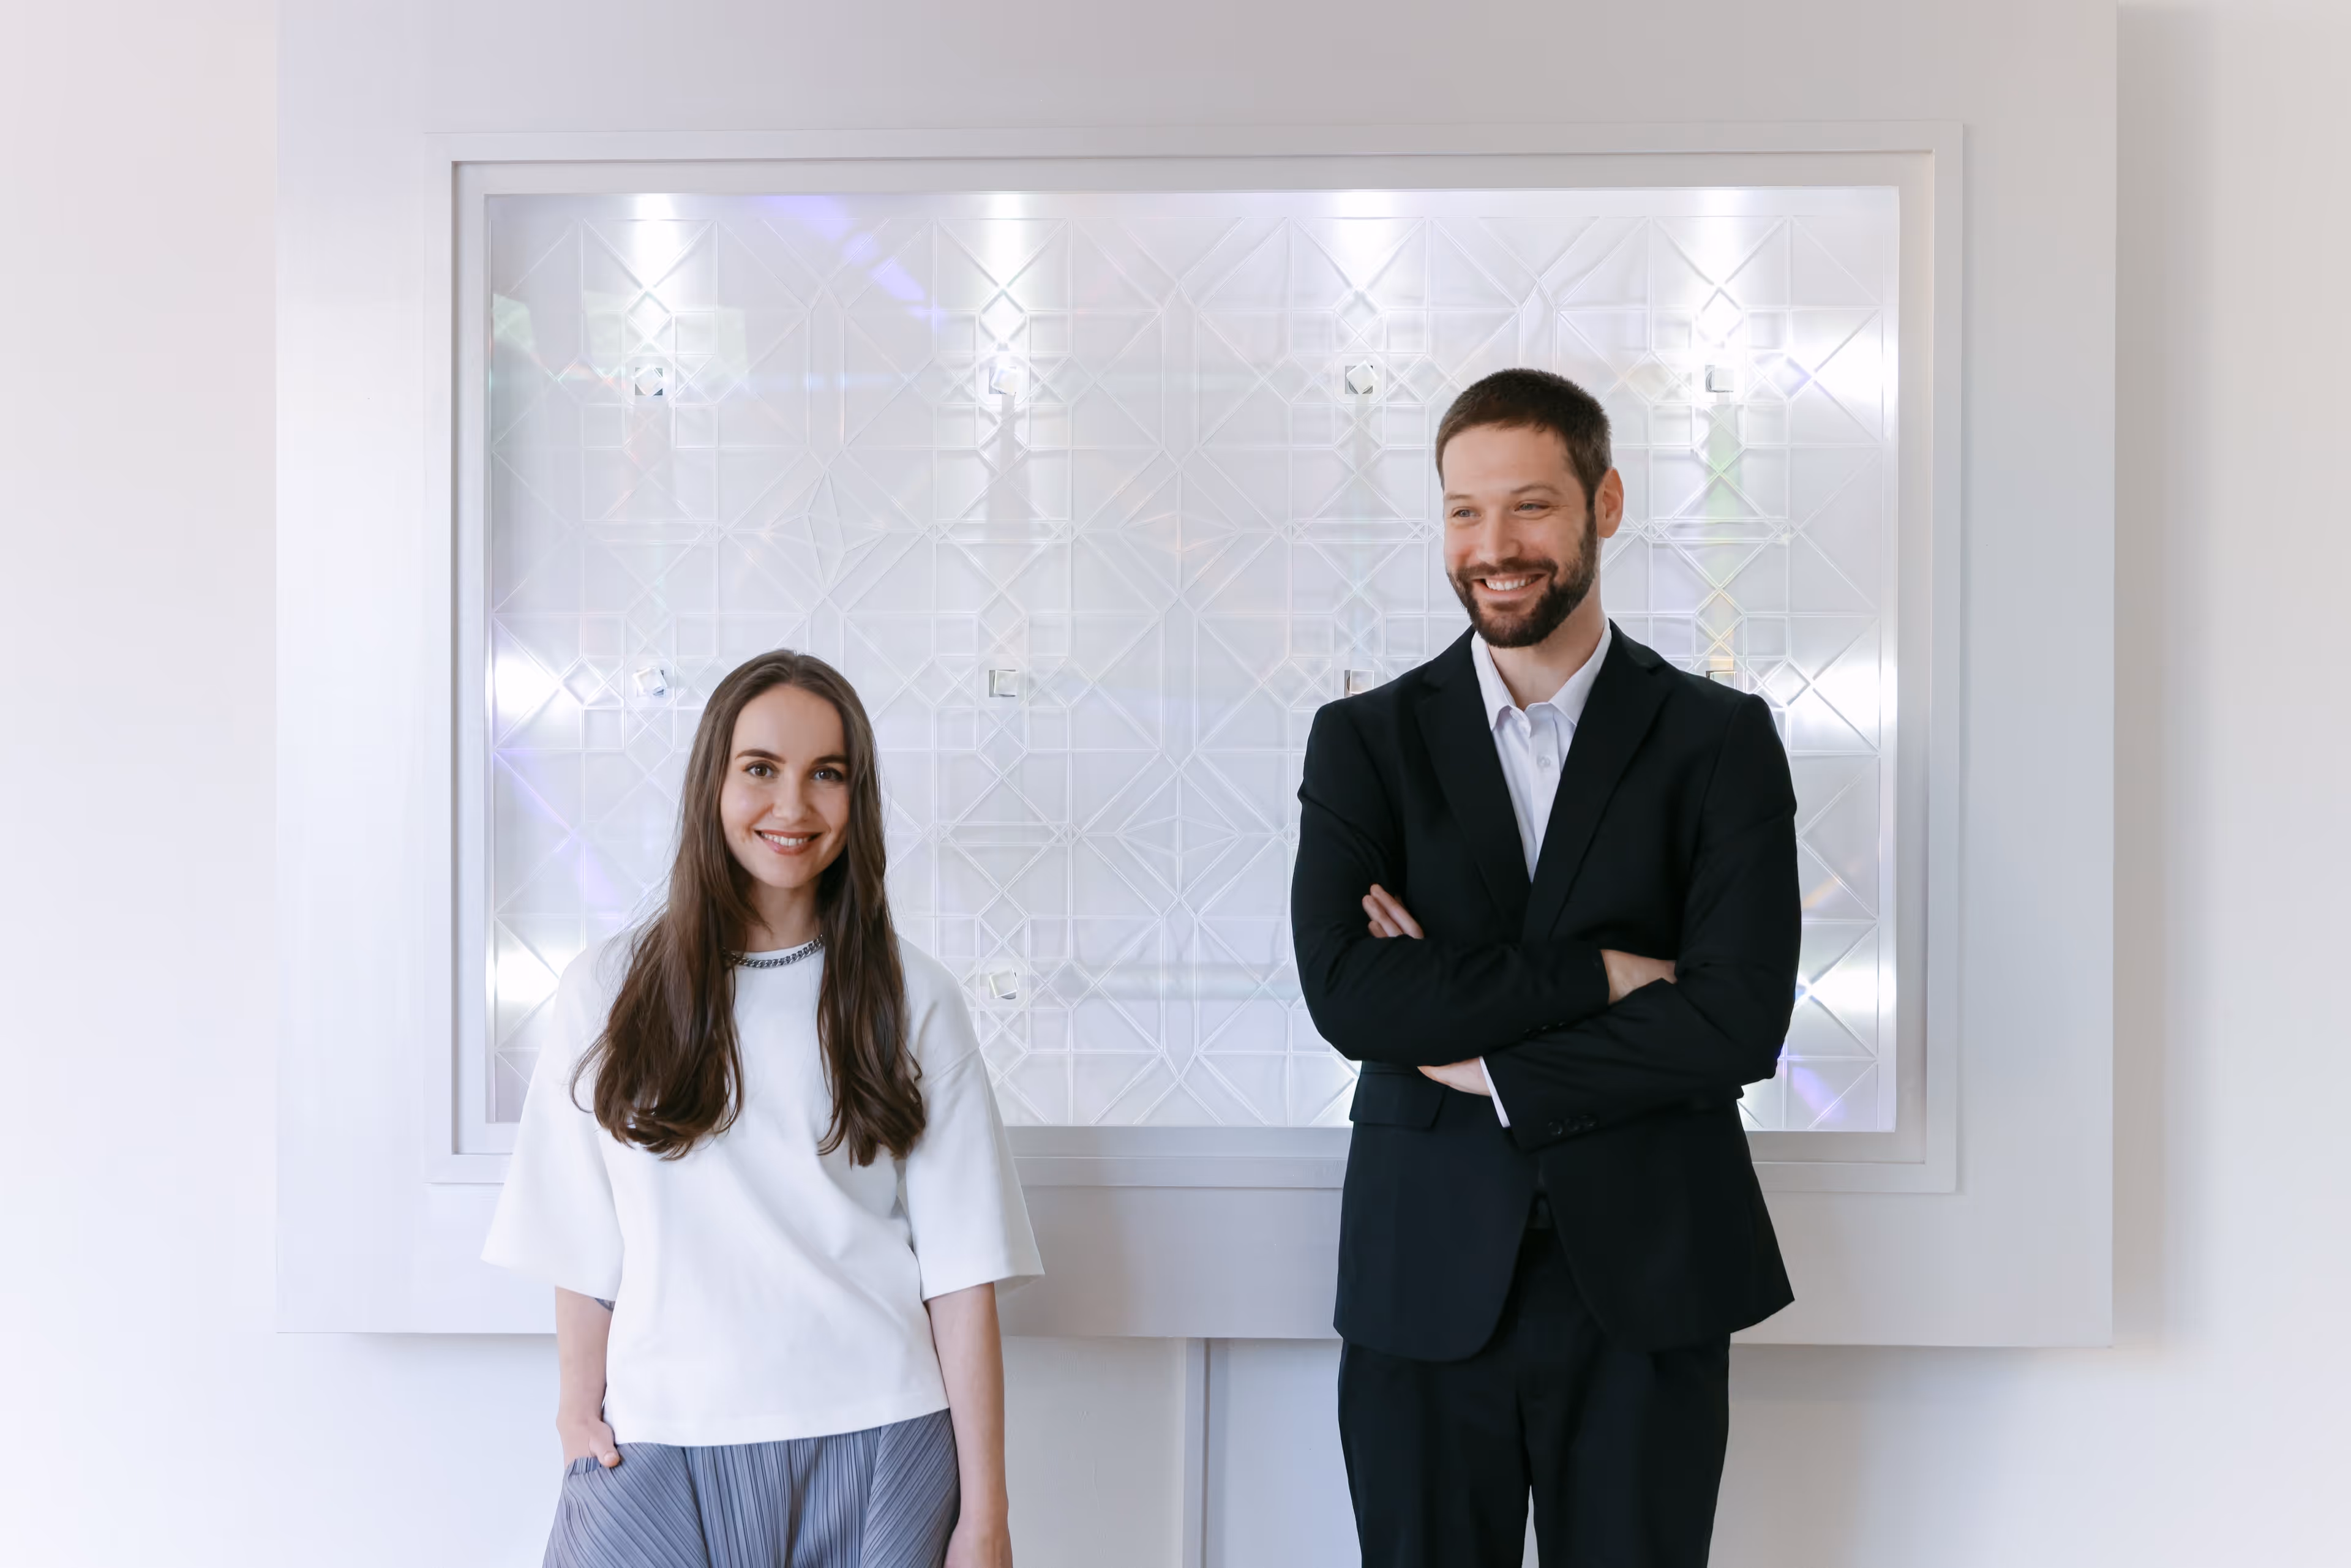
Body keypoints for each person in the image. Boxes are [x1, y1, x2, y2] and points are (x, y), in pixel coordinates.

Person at [1289, 368, 1799, 1567]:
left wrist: (1482, 1055)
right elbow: (1351, 993)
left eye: (1529, 506)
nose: (1493, 545)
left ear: (1604, 502)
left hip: (1650, 1275)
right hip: (1424, 1277)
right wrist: (1610, 973)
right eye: (1464, 512)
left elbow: (1735, 1022)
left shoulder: (1719, 742)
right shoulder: (1364, 741)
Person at [484, 650, 1041, 1568]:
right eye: (761, 770)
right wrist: (576, 1400)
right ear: (714, 784)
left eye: (828, 774)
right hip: (661, 1440)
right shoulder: (609, 991)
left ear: (857, 801)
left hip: (883, 1438)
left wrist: (987, 1520)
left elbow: (961, 1271)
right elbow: (579, 1232)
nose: (793, 807)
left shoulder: (913, 998)